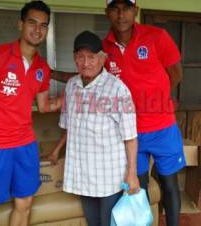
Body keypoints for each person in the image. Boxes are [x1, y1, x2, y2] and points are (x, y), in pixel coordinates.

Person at [50, 0, 186, 226]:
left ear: (136, 10)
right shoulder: (103, 49)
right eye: (115, 9)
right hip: (129, 134)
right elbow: (86, 72)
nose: (121, 14)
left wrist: (155, 102)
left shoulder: (157, 37)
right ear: (107, 13)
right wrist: (50, 74)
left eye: (126, 9)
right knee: (138, 186)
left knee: (169, 182)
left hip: (162, 126)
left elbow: (175, 73)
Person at [0, 0, 61, 226]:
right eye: (32, 22)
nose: (38, 29)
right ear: (20, 24)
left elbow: (44, 106)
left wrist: (73, 96)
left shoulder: (42, 68)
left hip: (25, 146)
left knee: (24, 206)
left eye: (43, 25)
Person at [47, 30, 140, 226]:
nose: (86, 62)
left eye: (91, 57)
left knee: (109, 222)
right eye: (81, 57)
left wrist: (132, 173)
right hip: (83, 173)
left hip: (109, 176)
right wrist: (56, 151)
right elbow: (69, 126)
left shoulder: (117, 89)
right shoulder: (72, 86)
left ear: (103, 58)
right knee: (93, 222)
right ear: (74, 59)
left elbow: (130, 136)